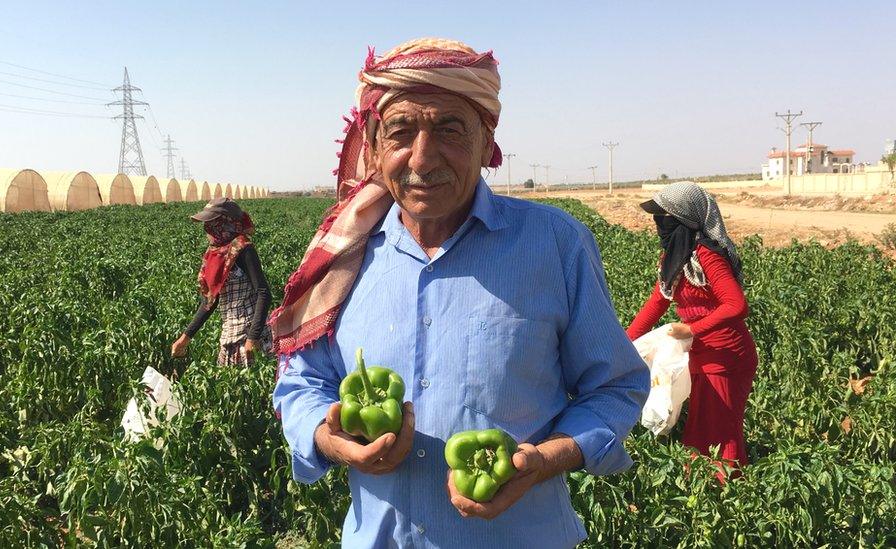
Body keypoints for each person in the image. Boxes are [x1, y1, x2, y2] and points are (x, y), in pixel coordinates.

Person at [271, 38, 649, 548]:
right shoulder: (344, 253)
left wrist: (544, 461)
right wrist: (329, 438)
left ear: (486, 137)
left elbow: (615, 389)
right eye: (401, 131)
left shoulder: (555, 244)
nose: (422, 160)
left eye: (450, 129)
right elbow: (301, 384)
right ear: (376, 140)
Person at [626, 182, 758, 476]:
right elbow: (657, 303)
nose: (659, 225)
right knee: (701, 427)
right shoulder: (675, 256)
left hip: (726, 355)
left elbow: (736, 305)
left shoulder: (706, 255)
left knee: (720, 432)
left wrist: (692, 329)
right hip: (700, 353)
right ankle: (708, 495)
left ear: (684, 219)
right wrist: (623, 343)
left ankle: (731, 498)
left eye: (665, 218)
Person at [171, 197, 272, 365]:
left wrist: (253, 338)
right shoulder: (215, 254)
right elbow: (209, 301)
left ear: (224, 222)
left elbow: (264, 293)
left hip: (249, 335)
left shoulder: (243, 249)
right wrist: (185, 337)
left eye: (211, 223)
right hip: (229, 335)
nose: (206, 229)